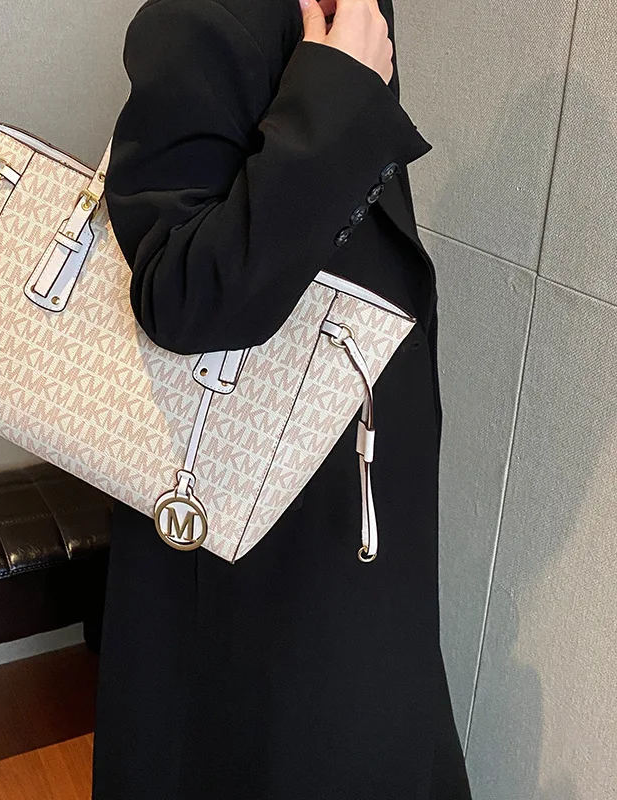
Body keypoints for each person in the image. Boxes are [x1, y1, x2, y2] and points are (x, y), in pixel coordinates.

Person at [92, 0, 473, 797]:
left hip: (340, 492)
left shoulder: (358, 6)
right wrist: (336, 94)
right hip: (253, 517)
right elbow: (182, 293)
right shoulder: (205, 12)